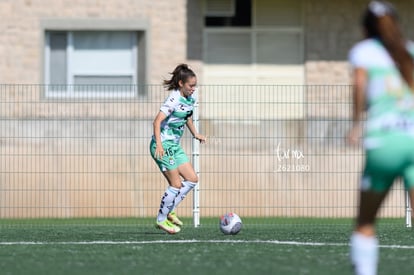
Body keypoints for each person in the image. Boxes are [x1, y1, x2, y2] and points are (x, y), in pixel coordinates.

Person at [347, 1, 414, 274]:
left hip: (384, 142)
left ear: (365, 28)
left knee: (365, 221)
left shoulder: (363, 52)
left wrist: (355, 124)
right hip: (412, 139)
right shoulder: (409, 50)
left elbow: (360, 85)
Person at [150, 63, 206, 234]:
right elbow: (157, 121)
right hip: (163, 145)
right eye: (191, 85)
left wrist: (195, 133)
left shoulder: (190, 98)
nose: (193, 88)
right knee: (175, 184)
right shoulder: (173, 99)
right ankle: (162, 220)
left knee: (192, 179)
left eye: (195, 85)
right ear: (181, 84)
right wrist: (159, 144)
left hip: (174, 146)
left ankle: (170, 209)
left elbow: (186, 117)